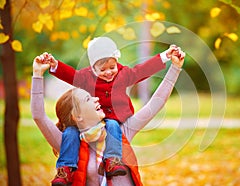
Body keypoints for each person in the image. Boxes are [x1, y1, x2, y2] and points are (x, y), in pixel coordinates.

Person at [37, 37, 180, 184]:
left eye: (112, 67)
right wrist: (55, 66)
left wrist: (165, 57)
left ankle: (112, 159)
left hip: (117, 119)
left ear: (116, 62)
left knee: (112, 125)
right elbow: (71, 75)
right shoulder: (86, 78)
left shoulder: (124, 74)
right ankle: (66, 170)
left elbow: (142, 71)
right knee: (72, 133)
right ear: (93, 68)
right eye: (102, 69)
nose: (109, 73)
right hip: (98, 120)